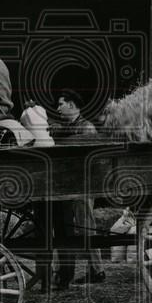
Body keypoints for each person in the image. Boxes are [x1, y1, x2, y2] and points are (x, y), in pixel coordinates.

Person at [50, 90, 105, 288]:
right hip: (70, 185)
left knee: (85, 226)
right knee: (68, 229)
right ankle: (63, 272)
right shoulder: (67, 127)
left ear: (72, 105)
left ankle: (97, 270)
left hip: (84, 185)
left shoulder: (86, 128)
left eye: (61, 104)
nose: (58, 108)